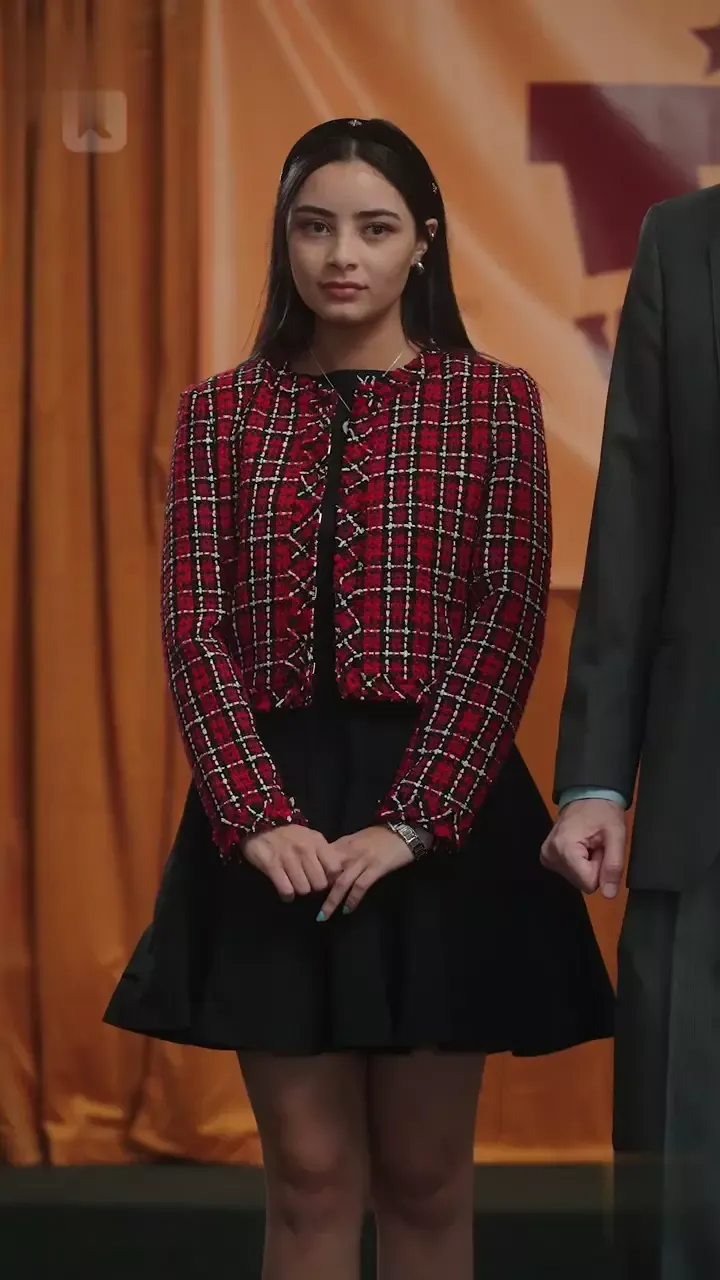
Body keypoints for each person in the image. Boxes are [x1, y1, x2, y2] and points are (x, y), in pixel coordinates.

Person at [105, 117, 613, 1280]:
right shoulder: (220, 411)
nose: (343, 254)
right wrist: (255, 815)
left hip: (440, 810)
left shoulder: (493, 401)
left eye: (375, 228)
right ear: (284, 239)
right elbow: (196, 627)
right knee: (311, 1176)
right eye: (315, 226)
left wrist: (413, 820)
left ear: (422, 242)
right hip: (271, 817)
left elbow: (506, 617)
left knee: (427, 1177)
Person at [541, 186, 720, 1279]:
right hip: (705, 789)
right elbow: (635, 514)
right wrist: (598, 777)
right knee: (688, 1185)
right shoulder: (684, 242)